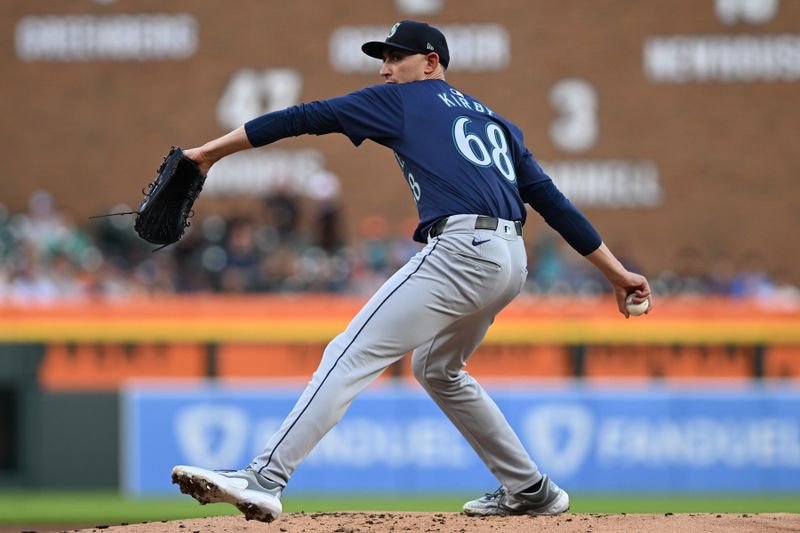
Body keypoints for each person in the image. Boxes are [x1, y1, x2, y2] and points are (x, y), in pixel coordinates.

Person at [171, 20, 652, 522]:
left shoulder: (405, 99)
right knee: (437, 369)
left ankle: (265, 476)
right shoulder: (497, 123)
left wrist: (208, 153)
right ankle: (530, 490)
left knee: (349, 352)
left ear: (430, 62)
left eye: (395, 58)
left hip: (463, 250)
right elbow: (554, 204)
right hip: (510, 260)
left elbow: (303, 117)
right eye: (382, 60)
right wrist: (617, 274)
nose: (384, 70)